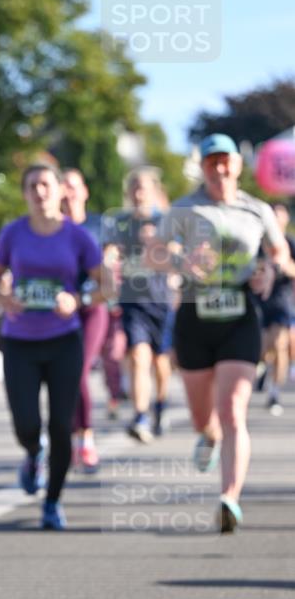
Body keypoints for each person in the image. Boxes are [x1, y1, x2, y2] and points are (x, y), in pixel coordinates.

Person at [151, 134, 290, 533]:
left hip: (240, 316)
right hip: (195, 318)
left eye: (225, 161)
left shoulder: (255, 209)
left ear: (238, 166)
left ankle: (229, 496)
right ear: (203, 168)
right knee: (203, 417)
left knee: (233, 410)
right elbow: (154, 253)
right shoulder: (184, 208)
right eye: (212, 163)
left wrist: (269, 269)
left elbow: (278, 251)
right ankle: (206, 436)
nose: (219, 169)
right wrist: (180, 259)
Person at [0, 162, 105, 530]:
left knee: (60, 425)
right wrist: (4, 299)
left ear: (60, 192)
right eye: (33, 186)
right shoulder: (12, 234)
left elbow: (107, 286)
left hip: (63, 340)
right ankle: (32, 453)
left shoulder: (78, 237)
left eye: (46, 185)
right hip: (20, 339)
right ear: (25, 193)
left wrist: (80, 300)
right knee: (25, 423)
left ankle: (52, 501)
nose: (40, 192)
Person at [103, 167, 174, 443]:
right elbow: (110, 252)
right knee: (137, 357)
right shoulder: (120, 223)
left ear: (154, 191)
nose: (138, 192)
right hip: (133, 302)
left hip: (161, 301)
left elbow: (178, 256)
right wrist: (109, 262)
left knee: (160, 363)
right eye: (133, 187)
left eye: (143, 187)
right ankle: (140, 415)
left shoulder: (165, 221)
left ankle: (160, 405)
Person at [60, 168, 109, 472]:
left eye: (73, 186)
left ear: (85, 191)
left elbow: (113, 265)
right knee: (62, 376)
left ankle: (86, 439)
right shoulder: (51, 228)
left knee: (78, 370)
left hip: (92, 308)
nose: (68, 192)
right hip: (59, 311)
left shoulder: (99, 226)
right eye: (63, 187)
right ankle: (67, 437)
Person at [255, 203, 295, 415]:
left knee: (280, 345)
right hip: (259, 301)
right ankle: (261, 367)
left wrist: (283, 265)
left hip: (282, 300)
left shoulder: (289, 243)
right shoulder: (257, 242)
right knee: (262, 348)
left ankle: (274, 392)